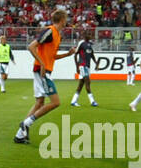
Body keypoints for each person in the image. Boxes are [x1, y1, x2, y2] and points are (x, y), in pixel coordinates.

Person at [13, 9, 74, 144]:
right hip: (42, 71)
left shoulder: (57, 35)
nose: (67, 21)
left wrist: (68, 54)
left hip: (44, 70)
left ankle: (19, 135)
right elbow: (31, 46)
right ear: (62, 19)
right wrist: (41, 64)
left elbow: (52, 57)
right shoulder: (50, 31)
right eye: (66, 18)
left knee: (39, 102)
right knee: (55, 102)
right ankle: (26, 123)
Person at [70, 31, 99, 107]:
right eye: (89, 34)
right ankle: (92, 101)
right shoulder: (81, 43)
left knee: (81, 85)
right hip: (82, 65)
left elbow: (92, 54)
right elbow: (75, 55)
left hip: (87, 66)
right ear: (85, 36)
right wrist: (77, 67)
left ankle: (73, 101)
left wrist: (96, 63)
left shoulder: (90, 44)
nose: (90, 36)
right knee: (88, 82)